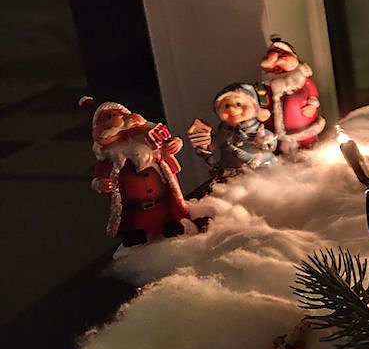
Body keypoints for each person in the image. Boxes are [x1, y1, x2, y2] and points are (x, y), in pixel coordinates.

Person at [86, 98, 193, 247]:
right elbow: (99, 174)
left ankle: (169, 223)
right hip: (134, 209)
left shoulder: (146, 137)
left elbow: (166, 142)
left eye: (116, 114)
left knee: (171, 226)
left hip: (162, 203)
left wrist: (175, 143)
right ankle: (135, 231)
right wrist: (99, 183)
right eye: (108, 117)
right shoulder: (109, 154)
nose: (114, 119)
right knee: (135, 231)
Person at [189, 83, 277, 178]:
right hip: (232, 172)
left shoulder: (258, 129)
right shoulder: (224, 130)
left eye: (238, 104)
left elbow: (271, 145)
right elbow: (213, 145)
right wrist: (204, 143)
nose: (231, 109)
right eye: (226, 106)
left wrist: (265, 141)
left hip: (262, 170)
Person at [261, 36, 325, 154]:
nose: (278, 65)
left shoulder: (300, 77)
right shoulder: (269, 85)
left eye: (282, 57)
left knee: (307, 141)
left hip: (304, 121)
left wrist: (312, 104)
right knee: (283, 147)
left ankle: (309, 147)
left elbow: (312, 92)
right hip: (280, 127)